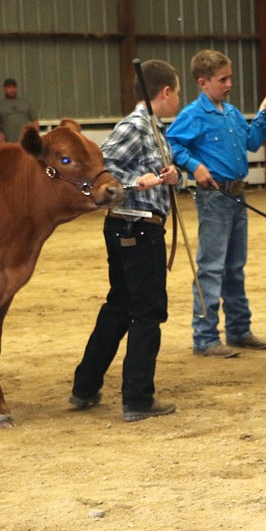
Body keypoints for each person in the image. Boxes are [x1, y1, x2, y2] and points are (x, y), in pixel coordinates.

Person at [69, 60, 181, 422]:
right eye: (177, 93)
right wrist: (138, 182)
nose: (178, 100)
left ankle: (85, 386)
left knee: (120, 306)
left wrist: (171, 176)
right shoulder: (135, 127)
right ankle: (137, 398)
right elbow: (102, 171)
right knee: (147, 310)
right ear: (165, 92)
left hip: (132, 227)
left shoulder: (153, 129)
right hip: (137, 228)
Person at [167, 49, 266, 358]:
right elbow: (171, 143)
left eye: (229, 77)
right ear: (203, 83)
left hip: (236, 196)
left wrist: (263, 112)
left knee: (234, 266)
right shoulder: (193, 115)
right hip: (215, 198)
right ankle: (205, 338)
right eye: (223, 79)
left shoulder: (230, 113)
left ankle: (238, 329)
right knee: (212, 267)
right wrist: (194, 165)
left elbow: (251, 141)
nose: (229, 83)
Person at [0, 77, 40, 144]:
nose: (12, 90)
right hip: (9, 144)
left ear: (16, 88)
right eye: (9, 87)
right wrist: (3, 143)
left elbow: (35, 122)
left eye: (14, 87)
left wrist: (33, 139)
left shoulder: (25, 104)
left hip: (25, 143)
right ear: (4, 89)